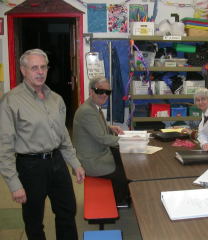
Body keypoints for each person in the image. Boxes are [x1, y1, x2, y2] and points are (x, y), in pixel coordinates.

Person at [0, 48, 85, 240]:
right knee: (34, 220)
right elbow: (3, 148)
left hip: (57, 162)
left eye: (44, 67)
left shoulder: (56, 99)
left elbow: (63, 137)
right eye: (34, 68)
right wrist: (14, 184)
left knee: (67, 211)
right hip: (30, 167)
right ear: (23, 70)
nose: (40, 72)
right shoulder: (10, 101)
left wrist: (75, 163)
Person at [72, 76, 129, 206]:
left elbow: (95, 128)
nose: (104, 95)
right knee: (122, 173)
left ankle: (123, 194)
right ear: (91, 91)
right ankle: (119, 201)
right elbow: (102, 138)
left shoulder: (93, 106)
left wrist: (109, 127)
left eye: (107, 92)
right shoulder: (88, 111)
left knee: (123, 161)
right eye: (100, 91)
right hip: (92, 161)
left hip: (98, 152)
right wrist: (128, 141)